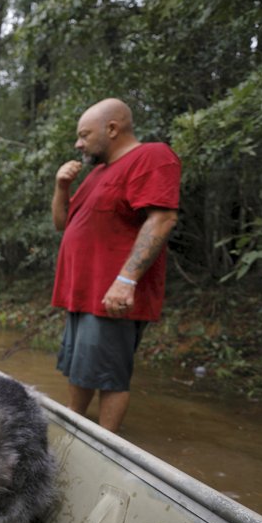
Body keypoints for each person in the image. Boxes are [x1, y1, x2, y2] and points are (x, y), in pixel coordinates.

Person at [51, 98, 180, 432]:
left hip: (112, 294)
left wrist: (126, 280)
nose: (78, 143)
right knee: (80, 369)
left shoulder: (151, 156)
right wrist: (61, 187)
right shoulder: (97, 173)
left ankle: (106, 448)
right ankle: (72, 428)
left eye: (84, 135)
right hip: (83, 293)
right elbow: (62, 223)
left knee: (109, 377)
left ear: (112, 128)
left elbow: (163, 218)